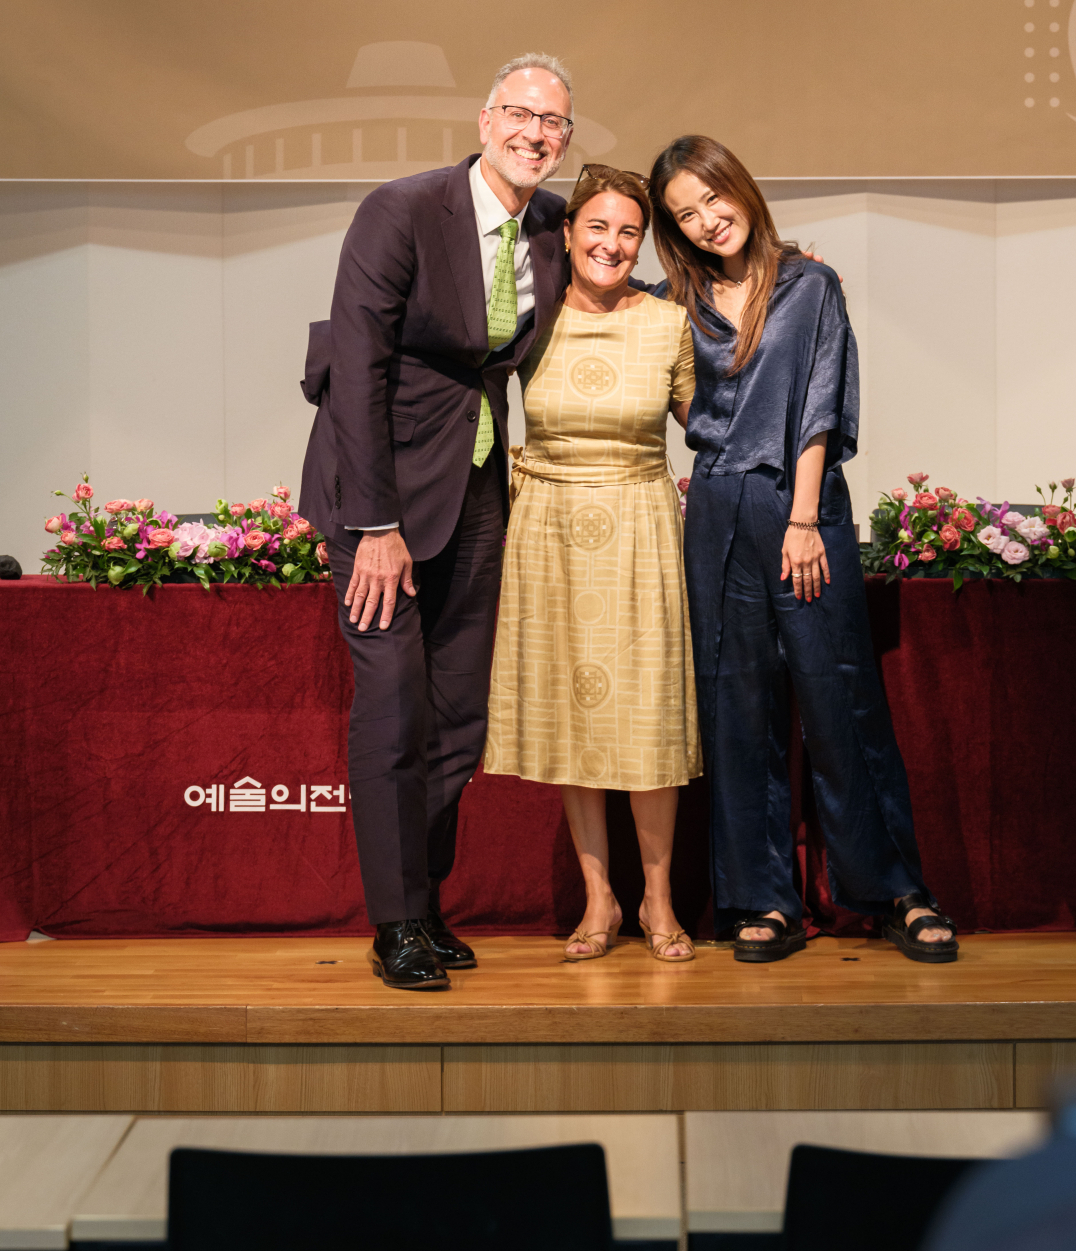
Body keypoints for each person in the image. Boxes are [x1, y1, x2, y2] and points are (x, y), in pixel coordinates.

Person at [299, 54, 575, 991]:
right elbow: (357, 366)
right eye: (523, 115)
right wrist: (374, 523)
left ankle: (426, 900)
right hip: (377, 501)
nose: (536, 134)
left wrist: (774, 277)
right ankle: (395, 921)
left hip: (476, 489)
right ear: (487, 116)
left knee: (460, 713)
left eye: (555, 124)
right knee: (394, 705)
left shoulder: (551, 223)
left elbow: (621, 287)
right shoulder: (405, 209)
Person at [648, 135, 958, 965]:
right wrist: (715, 446)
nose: (708, 221)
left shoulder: (810, 284)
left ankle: (895, 889)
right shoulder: (673, 301)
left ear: (739, 188)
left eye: (712, 199)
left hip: (800, 505)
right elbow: (670, 393)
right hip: (717, 507)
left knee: (840, 696)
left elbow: (821, 403)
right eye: (685, 215)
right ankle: (763, 897)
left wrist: (804, 517)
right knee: (735, 708)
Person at [484, 165, 700, 962]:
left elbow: (710, 419)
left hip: (641, 521)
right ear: (568, 233)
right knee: (578, 713)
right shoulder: (527, 320)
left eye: (628, 232)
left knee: (647, 715)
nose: (612, 244)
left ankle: (658, 897)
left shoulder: (670, 322)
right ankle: (599, 898)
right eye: (597, 228)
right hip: (550, 523)